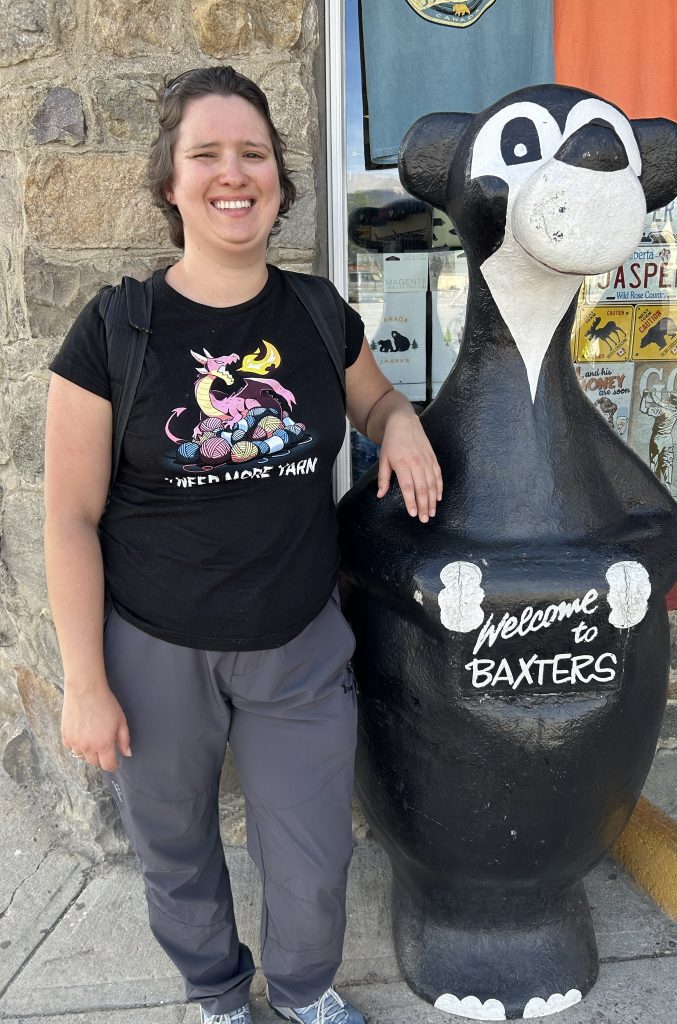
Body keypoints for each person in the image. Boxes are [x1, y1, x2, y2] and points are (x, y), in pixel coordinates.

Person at [44, 66, 442, 1024]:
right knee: (174, 844)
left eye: (253, 154)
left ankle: (303, 992)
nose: (235, 174)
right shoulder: (114, 330)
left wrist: (400, 424)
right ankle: (218, 993)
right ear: (171, 183)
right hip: (153, 649)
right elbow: (67, 515)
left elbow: (377, 396)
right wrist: (85, 681)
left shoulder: (314, 315)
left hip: (299, 643)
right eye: (207, 154)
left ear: (278, 181)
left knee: (312, 850)